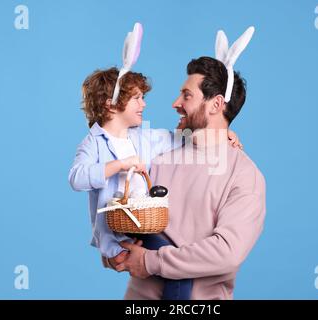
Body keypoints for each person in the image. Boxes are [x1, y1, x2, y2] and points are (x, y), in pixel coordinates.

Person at [69, 66, 242, 299]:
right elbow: (77, 178)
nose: (144, 104)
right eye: (137, 98)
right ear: (110, 104)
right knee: (178, 270)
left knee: (174, 268)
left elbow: (179, 138)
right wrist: (120, 165)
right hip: (121, 230)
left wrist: (223, 134)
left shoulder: (142, 138)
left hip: (142, 224)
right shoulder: (93, 143)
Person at [108, 56, 266, 300]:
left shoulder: (244, 176)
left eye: (187, 95)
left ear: (215, 105)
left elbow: (227, 252)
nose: (175, 103)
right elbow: (129, 220)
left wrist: (151, 262)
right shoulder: (158, 158)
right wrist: (113, 252)